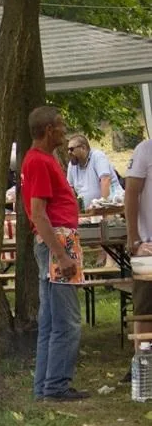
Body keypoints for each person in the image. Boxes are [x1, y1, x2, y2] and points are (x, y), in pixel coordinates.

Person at [21, 106, 88, 401]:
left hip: (57, 240)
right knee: (67, 321)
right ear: (49, 130)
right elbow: (38, 213)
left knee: (50, 321)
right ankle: (57, 386)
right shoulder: (38, 161)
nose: (64, 130)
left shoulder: (43, 159)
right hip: (57, 241)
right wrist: (61, 255)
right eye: (61, 125)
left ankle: (45, 387)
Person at [125, 136, 152, 337]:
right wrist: (134, 238)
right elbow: (131, 193)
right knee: (144, 310)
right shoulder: (145, 149)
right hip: (147, 244)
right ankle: (142, 363)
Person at [66, 134, 124, 208]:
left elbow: (105, 179)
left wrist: (103, 206)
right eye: (67, 149)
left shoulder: (97, 156)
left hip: (111, 206)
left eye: (71, 149)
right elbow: (70, 189)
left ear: (83, 148)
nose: (69, 152)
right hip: (90, 212)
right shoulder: (72, 165)